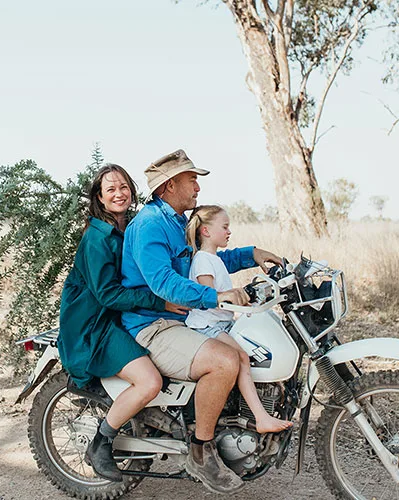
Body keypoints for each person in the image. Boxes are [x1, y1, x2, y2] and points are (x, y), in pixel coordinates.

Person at [121, 149, 282, 494]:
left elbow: (205, 260)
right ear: (168, 186)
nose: (197, 186)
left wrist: (251, 254)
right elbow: (162, 282)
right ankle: (200, 451)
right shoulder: (150, 225)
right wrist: (217, 297)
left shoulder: (176, 221)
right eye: (191, 179)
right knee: (224, 363)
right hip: (153, 325)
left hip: (179, 319)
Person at [58, 164, 186, 483]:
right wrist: (161, 302)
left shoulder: (131, 226)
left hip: (122, 315)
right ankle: (100, 444)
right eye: (111, 189)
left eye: (124, 187)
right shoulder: (96, 238)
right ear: (99, 198)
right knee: (149, 381)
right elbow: (108, 295)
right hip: (95, 324)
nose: (119, 194)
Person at [185, 204, 292, 434]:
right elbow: (212, 298)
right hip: (207, 325)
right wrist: (240, 301)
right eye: (224, 227)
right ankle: (261, 417)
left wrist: (251, 302)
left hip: (220, 322)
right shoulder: (203, 260)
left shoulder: (214, 259)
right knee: (242, 357)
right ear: (205, 231)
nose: (228, 232)